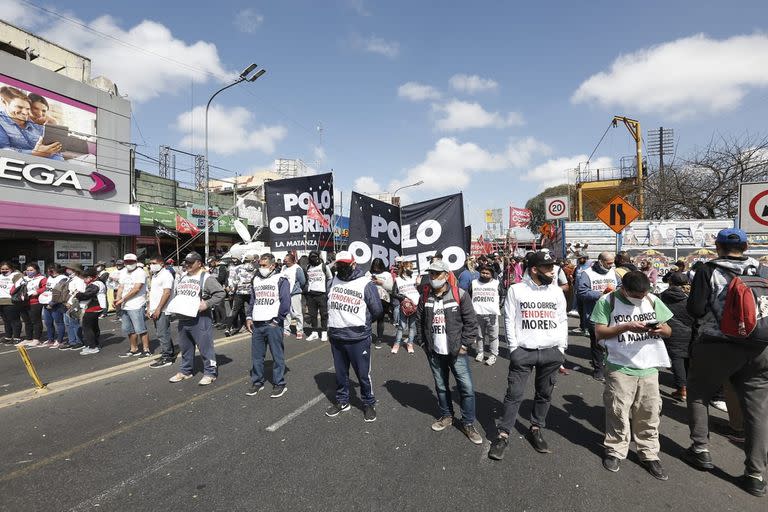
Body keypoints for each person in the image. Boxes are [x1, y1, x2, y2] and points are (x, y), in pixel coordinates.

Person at [683, 228, 768, 497]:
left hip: (717, 344)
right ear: (745, 246)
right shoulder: (762, 269)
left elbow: (695, 309)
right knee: (757, 409)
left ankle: (700, 450)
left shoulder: (709, 270)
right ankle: (755, 474)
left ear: (718, 246)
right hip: (759, 346)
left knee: (698, 393)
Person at [591, 270, 673, 480]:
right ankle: (615, 449)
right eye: (637, 295)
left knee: (649, 412)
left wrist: (659, 331)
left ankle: (649, 453)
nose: (641, 298)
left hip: (650, 366)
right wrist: (625, 327)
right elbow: (599, 332)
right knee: (618, 410)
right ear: (624, 289)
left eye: (644, 293)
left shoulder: (652, 299)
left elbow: (668, 330)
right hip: (619, 365)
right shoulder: (607, 301)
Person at [489, 251, 568, 460]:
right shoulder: (516, 290)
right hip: (523, 352)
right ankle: (503, 434)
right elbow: (509, 319)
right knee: (514, 395)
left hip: (551, 352)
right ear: (534, 269)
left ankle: (536, 428)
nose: (553, 271)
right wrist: (514, 349)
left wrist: (561, 349)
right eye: (548, 268)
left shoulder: (556, 292)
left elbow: (562, 321)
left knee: (544, 394)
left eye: (553, 267)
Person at [414, 258, 482, 445]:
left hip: (456, 352)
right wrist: (422, 342)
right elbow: (419, 320)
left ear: (446, 275)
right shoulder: (425, 295)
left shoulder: (459, 294)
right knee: (441, 387)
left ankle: (468, 423)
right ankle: (446, 416)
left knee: (466, 388)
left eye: (437, 273)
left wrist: (464, 345)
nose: (433, 277)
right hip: (434, 352)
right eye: (431, 273)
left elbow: (471, 323)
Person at [324, 251, 383, 422]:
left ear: (354, 264)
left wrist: (363, 324)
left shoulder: (365, 283)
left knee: (363, 375)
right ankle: (343, 401)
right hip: (336, 336)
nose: (341, 268)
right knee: (341, 374)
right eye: (339, 265)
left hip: (358, 338)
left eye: (345, 265)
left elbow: (377, 310)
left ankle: (368, 403)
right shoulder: (332, 281)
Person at [166, 252, 226, 386]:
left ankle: (210, 373)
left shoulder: (206, 278)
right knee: (185, 347)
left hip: (200, 318)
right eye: (186, 262)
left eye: (190, 263)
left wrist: (206, 304)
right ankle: (185, 371)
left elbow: (221, 293)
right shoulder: (183, 277)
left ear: (199, 263)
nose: (187, 265)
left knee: (205, 348)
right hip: (183, 318)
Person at [245, 253, 291, 398]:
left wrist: (277, 320)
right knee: (257, 356)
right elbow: (253, 299)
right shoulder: (256, 279)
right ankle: (257, 382)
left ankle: (279, 383)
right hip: (257, 323)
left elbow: (285, 302)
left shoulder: (281, 279)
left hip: (273, 323)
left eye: (264, 265)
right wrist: (249, 316)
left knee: (277, 355)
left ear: (273, 265)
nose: (261, 268)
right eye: (260, 265)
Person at [576, 251, 620, 381]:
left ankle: (612, 368)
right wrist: (601, 294)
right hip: (595, 314)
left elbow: (622, 286)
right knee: (597, 344)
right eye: (609, 263)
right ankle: (598, 370)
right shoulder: (587, 274)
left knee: (613, 342)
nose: (611, 266)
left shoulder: (613, 272)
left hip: (613, 314)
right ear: (601, 261)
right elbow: (582, 293)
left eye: (613, 263)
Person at [0, 86, 63, 159]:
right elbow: (4, 151)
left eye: (27, 109)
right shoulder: (2, 122)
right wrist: (35, 153)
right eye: (19, 107)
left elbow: (54, 152)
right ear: (4, 102)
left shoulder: (35, 124)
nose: (25, 112)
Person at [659, 272, 694, 401]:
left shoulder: (663, 296)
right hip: (691, 331)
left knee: (677, 359)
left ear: (670, 283)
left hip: (672, 331)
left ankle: (682, 389)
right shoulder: (691, 295)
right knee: (689, 359)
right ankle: (689, 387)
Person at [115, 253, 152, 357]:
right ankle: (134, 348)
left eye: (131, 262)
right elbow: (121, 287)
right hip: (125, 305)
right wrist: (118, 298)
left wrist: (122, 299)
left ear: (136, 262)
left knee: (141, 329)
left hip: (137, 304)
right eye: (127, 262)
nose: (129, 264)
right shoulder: (123, 272)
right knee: (129, 329)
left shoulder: (140, 272)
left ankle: (146, 349)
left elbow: (136, 289)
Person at [469, 264, 502, 366]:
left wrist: (498, 307)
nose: (484, 275)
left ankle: (493, 355)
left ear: (491, 274)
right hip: (478, 313)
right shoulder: (474, 283)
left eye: (487, 273)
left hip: (492, 314)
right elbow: (469, 295)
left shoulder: (496, 283)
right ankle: (480, 353)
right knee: (479, 335)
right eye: (483, 272)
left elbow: (502, 295)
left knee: (493, 336)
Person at [147, 256, 175, 368]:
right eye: (150, 263)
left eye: (154, 263)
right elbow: (152, 293)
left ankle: (167, 357)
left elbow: (167, 293)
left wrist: (159, 308)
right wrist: (149, 307)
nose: (151, 265)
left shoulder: (166, 275)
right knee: (162, 332)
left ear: (162, 264)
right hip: (155, 308)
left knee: (162, 333)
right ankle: (169, 352)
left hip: (163, 309)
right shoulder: (155, 275)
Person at [75, 269, 107, 355]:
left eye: (84, 278)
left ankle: (92, 346)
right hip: (98, 306)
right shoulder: (99, 282)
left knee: (87, 327)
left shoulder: (94, 284)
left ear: (89, 277)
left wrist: (78, 294)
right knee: (94, 326)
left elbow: (87, 295)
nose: (84, 281)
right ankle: (95, 344)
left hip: (93, 307)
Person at [304, 250, 333, 342]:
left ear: (318, 257)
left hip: (322, 294)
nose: (313, 259)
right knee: (312, 315)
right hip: (311, 295)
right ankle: (314, 333)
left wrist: (326, 290)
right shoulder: (308, 267)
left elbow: (330, 278)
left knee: (324, 314)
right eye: (311, 257)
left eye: (315, 257)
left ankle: (324, 332)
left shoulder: (324, 267)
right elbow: (306, 279)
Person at [392, 259, 419, 354]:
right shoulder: (398, 280)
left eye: (412, 268)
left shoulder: (414, 278)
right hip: (405, 306)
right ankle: (396, 344)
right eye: (409, 267)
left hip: (415, 305)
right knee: (401, 326)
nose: (411, 269)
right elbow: (394, 293)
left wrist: (418, 284)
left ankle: (410, 344)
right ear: (404, 268)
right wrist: (404, 298)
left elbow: (418, 291)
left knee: (412, 326)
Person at [14, 264, 45, 346]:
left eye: (31, 270)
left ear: (37, 270)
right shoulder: (23, 278)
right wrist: (13, 293)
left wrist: (37, 292)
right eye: (27, 270)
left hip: (35, 302)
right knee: (27, 321)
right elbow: (15, 287)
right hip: (23, 302)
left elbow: (45, 287)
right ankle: (29, 338)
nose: (29, 272)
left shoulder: (41, 278)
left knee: (36, 321)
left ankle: (36, 338)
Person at [37, 265, 67, 348]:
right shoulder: (49, 278)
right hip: (46, 302)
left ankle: (59, 340)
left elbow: (59, 292)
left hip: (56, 303)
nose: (50, 271)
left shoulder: (63, 278)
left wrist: (53, 302)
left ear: (57, 270)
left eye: (52, 270)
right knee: (48, 322)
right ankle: (51, 339)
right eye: (49, 270)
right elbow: (47, 289)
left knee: (58, 322)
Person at [225, 256, 256, 337]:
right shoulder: (255, 268)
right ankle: (254, 326)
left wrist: (231, 291)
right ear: (251, 261)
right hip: (250, 292)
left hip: (240, 292)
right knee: (254, 308)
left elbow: (233, 280)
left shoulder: (237, 268)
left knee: (234, 310)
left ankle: (228, 328)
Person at [368, 257, 393, 349]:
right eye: (374, 266)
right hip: (370, 299)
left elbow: (391, 287)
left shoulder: (386, 274)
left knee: (380, 319)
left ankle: (379, 338)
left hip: (383, 300)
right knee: (368, 318)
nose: (376, 268)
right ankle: (367, 336)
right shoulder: (368, 273)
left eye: (378, 266)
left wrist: (381, 282)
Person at [280, 254, 306, 339]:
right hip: (285, 293)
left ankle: (299, 331)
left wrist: (296, 289)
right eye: (284, 259)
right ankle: (286, 329)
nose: (285, 261)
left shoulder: (297, 268)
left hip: (295, 293)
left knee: (297, 313)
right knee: (286, 312)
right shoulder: (284, 268)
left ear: (291, 260)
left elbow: (302, 281)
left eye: (286, 260)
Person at [61, 263, 86, 350]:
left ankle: (79, 341)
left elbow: (79, 292)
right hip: (67, 303)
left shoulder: (79, 280)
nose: (67, 270)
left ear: (75, 270)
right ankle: (72, 341)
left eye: (70, 269)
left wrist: (70, 302)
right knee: (68, 323)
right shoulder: (70, 279)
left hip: (74, 304)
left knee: (74, 323)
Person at [0, 262, 23, 344]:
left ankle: (17, 337)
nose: (4, 270)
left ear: (11, 269)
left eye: (7, 269)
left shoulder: (15, 275)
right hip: (1, 301)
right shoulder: (0, 276)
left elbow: (20, 284)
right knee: (6, 320)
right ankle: (8, 336)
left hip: (11, 301)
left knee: (14, 320)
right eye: (2, 269)